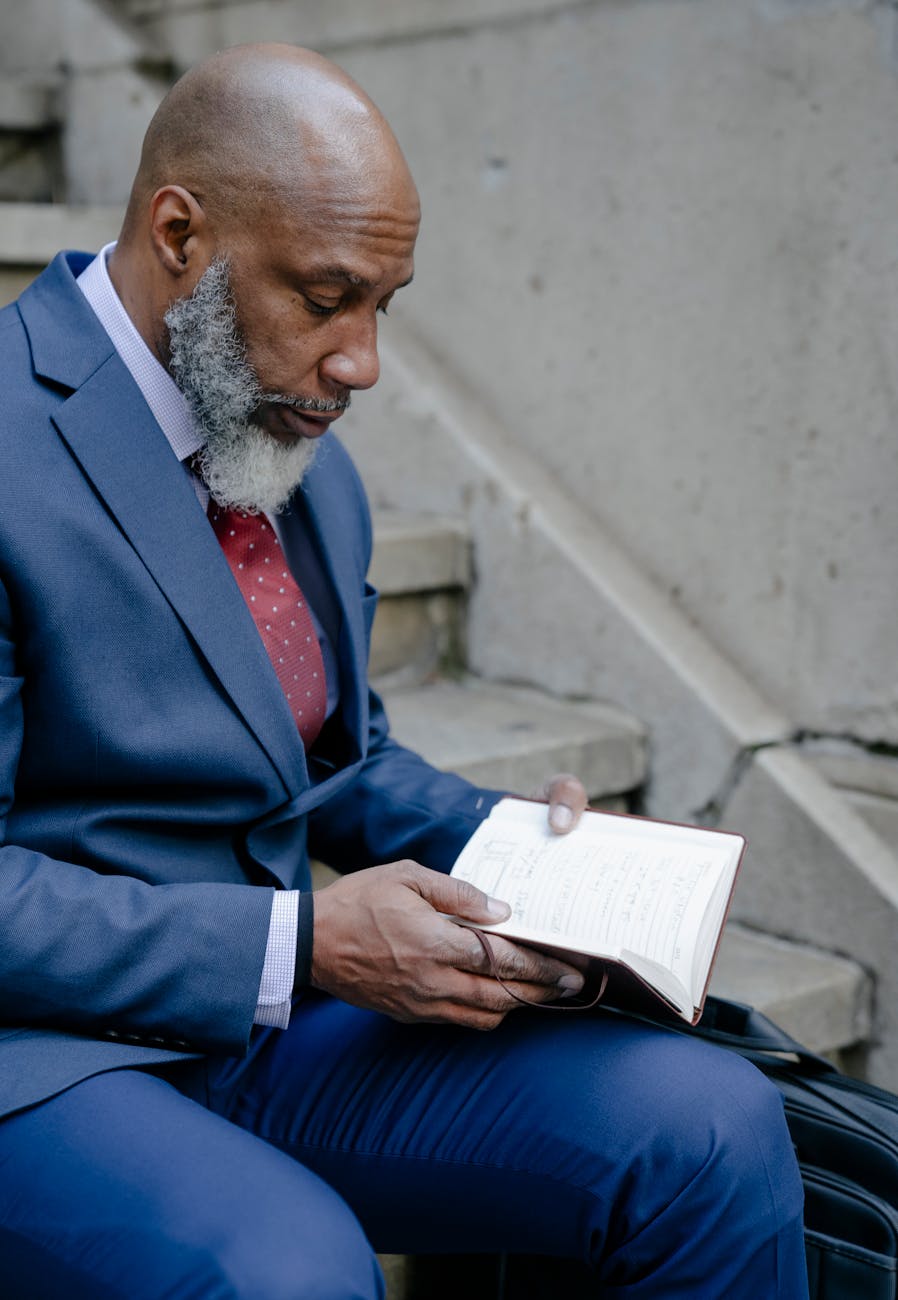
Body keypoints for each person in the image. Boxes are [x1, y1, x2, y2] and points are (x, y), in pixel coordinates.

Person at [0, 42, 807, 1299]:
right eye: (325, 298)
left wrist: (531, 855)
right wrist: (303, 943)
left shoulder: (286, 447)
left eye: (387, 303)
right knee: (297, 1271)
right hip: (42, 1057)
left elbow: (338, 763)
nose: (362, 362)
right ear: (177, 233)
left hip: (262, 1025)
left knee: (709, 1129)